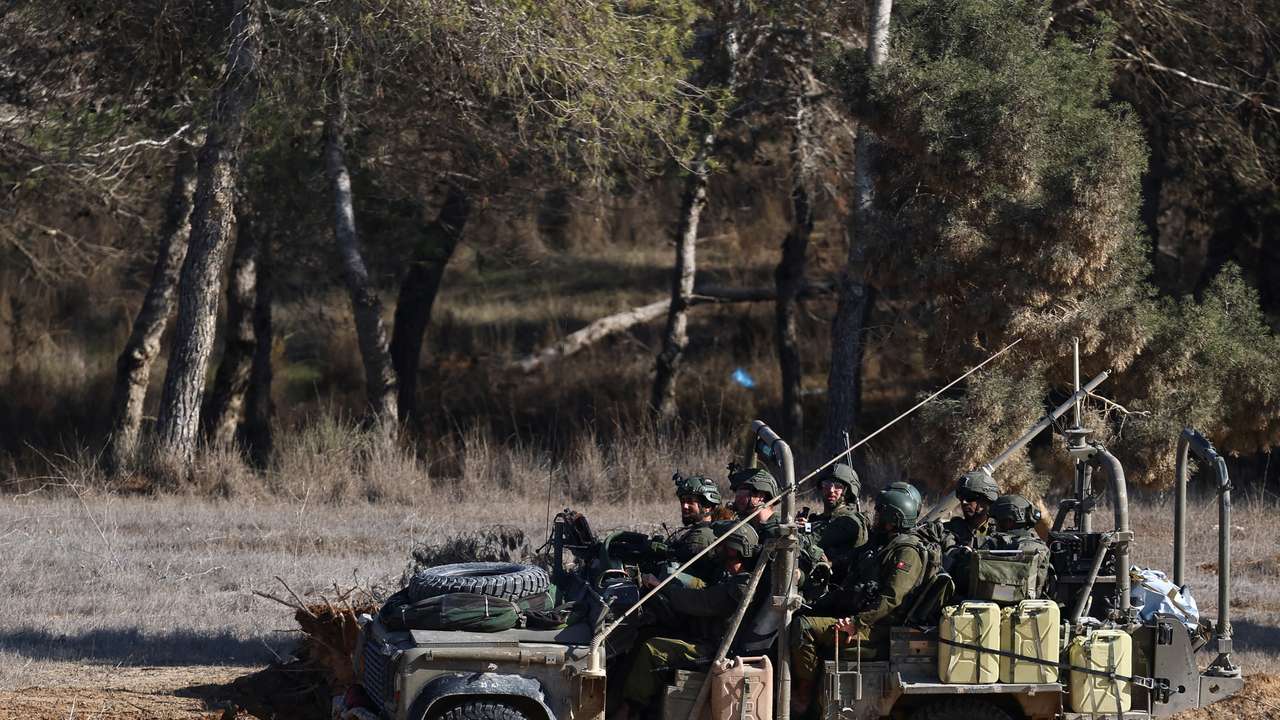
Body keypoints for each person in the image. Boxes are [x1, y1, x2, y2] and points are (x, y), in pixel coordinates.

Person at [789, 484, 928, 715]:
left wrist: (857, 623)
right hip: (860, 616)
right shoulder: (881, 543)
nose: (875, 517)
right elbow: (851, 563)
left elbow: (891, 599)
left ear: (892, 518)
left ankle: (803, 694)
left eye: (880, 513)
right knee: (801, 613)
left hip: (877, 628)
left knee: (803, 627)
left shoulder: (907, 552)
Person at [616, 525, 764, 720]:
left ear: (733, 550)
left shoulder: (742, 585)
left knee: (653, 649)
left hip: (715, 650)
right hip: (706, 640)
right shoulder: (727, 575)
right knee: (647, 633)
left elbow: (701, 602)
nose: (717, 549)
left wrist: (661, 587)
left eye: (723, 545)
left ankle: (628, 711)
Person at [986, 494, 1051, 597]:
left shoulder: (990, 544)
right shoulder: (1039, 548)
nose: (994, 525)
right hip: (1028, 607)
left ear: (1008, 522)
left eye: (996, 521)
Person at [664, 473, 723, 585]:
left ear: (707, 506)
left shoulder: (704, 535)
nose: (684, 506)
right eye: (683, 501)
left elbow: (683, 555)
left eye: (690, 501)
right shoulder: (696, 530)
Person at [808, 463, 869, 568]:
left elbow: (815, 539)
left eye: (838, 486)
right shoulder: (823, 518)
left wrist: (803, 529)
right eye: (827, 484)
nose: (831, 490)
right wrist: (805, 525)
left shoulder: (848, 521)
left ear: (848, 492)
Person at [943, 469, 1000, 550]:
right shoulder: (948, 531)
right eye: (961, 497)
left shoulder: (1000, 537)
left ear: (987, 500)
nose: (964, 502)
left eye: (969, 497)